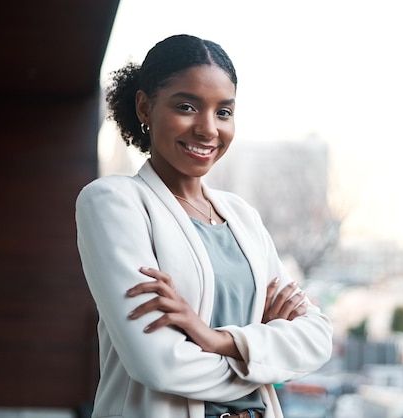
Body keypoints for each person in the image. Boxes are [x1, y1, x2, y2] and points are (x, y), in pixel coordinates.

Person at [75, 34, 333, 418]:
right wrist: (262, 358)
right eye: (187, 107)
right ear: (145, 107)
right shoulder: (115, 202)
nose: (208, 129)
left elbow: (317, 339)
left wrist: (215, 338)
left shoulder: (242, 215)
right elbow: (160, 365)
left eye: (223, 112)